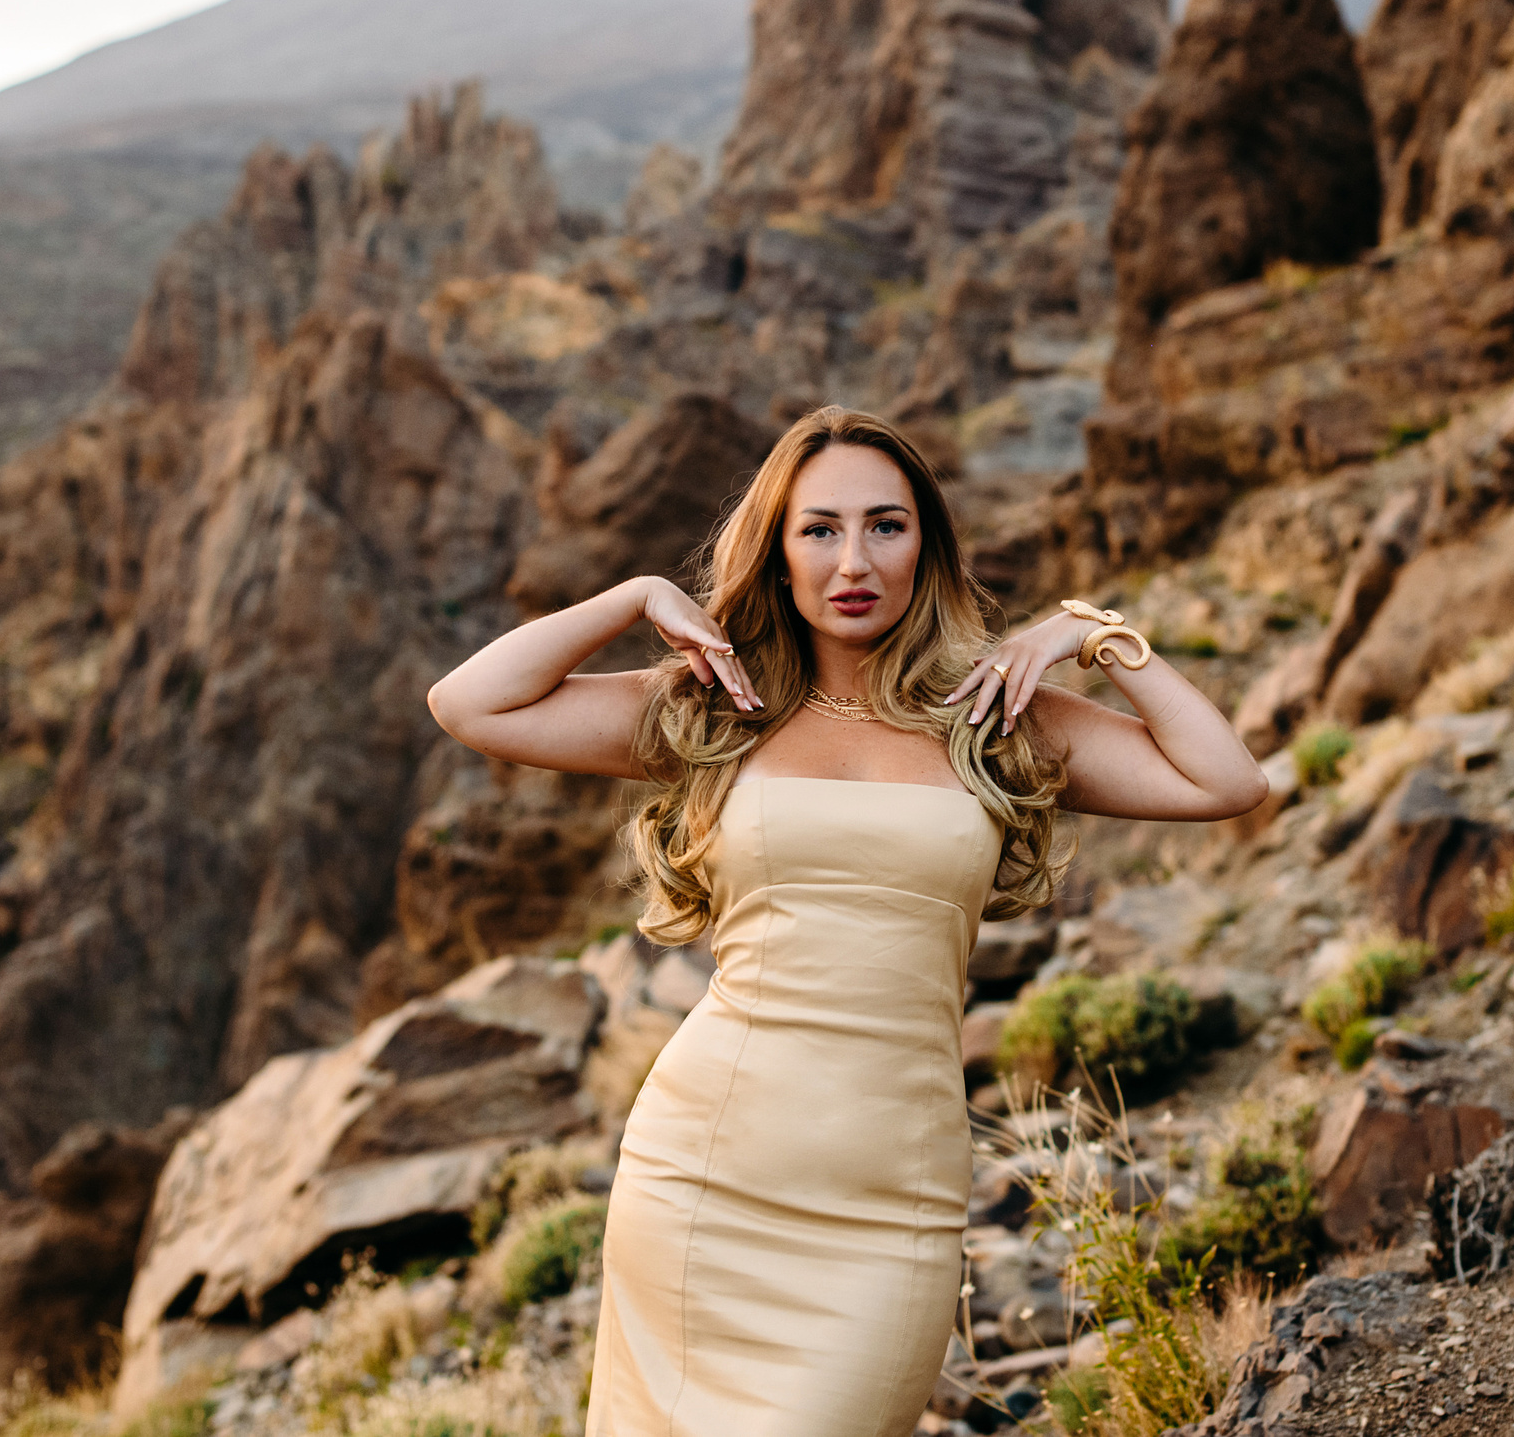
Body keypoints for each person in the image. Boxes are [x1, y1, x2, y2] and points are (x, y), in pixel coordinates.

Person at [426, 405, 1265, 1437]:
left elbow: (1225, 780)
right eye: (818, 530)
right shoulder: (716, 708)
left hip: (888, 1196)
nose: (853, 559)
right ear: (776, 556)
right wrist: (639, 596)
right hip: (705, 1175)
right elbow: (471, 704)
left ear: (928, 547)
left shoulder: (994, 718)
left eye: (886, 525)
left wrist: (1090, 633)